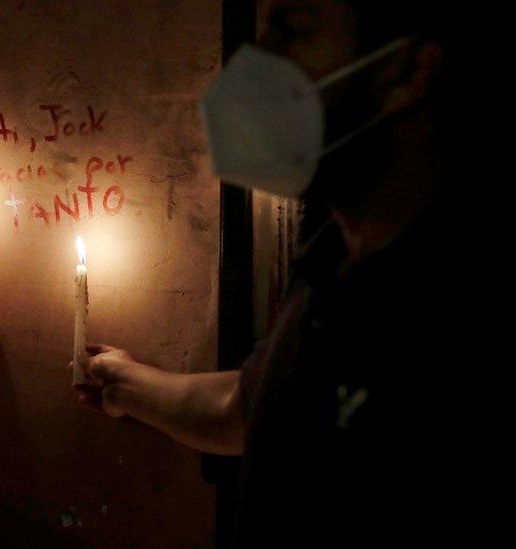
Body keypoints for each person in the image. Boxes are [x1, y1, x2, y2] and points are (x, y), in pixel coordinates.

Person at [72, 1, 484, 546]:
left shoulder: (447, 297)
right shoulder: (332, 257)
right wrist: (126, 385)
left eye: (292, 31)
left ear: (407, 73)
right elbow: (252, 407)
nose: (252, 64)